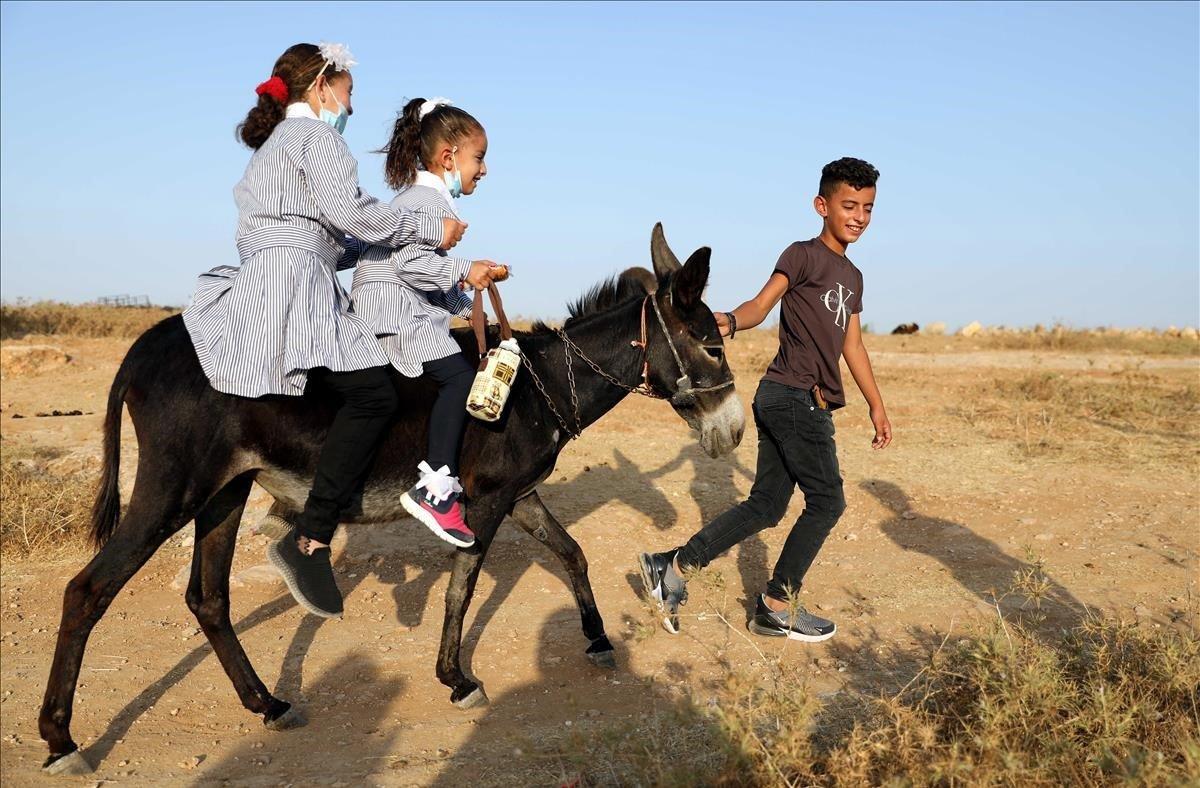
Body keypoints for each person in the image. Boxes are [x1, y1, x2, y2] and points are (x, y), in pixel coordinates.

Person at [182, 43, 467, 619]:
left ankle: (299, 511)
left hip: (266, 280)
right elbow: (355, 215)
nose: (351, 106)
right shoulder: (318, 139)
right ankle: (308, 535)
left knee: (346, 394)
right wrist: (427, 227)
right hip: (297, 293)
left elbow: (332, 237)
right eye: (349, 91)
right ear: (322, 88)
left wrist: (391, 240)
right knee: (373, 395)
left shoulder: (272, 149)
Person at [638, 157, 893, 642]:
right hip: (795, 397)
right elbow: (762, 303)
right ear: (822, 206)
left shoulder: (853, 278)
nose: (858, 216)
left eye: (868, 207)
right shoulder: (802, 255)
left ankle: (671, 567)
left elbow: (852, 345)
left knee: (767, 505)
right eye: (848, 205)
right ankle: (778, 602)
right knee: (827, 501)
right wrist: (729, 321)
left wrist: (876, 404)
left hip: (786, 399)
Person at [352, 97, 507, 549]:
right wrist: (463, 269)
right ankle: (436, 489)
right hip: (393, 308)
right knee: (459, 381)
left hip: (402, 304)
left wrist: (474, 285)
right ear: (448, 157)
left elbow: (429, 279)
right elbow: (409, 264)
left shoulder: (426, 199)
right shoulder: (427, 202)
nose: (484, 169)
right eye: (479, 158)